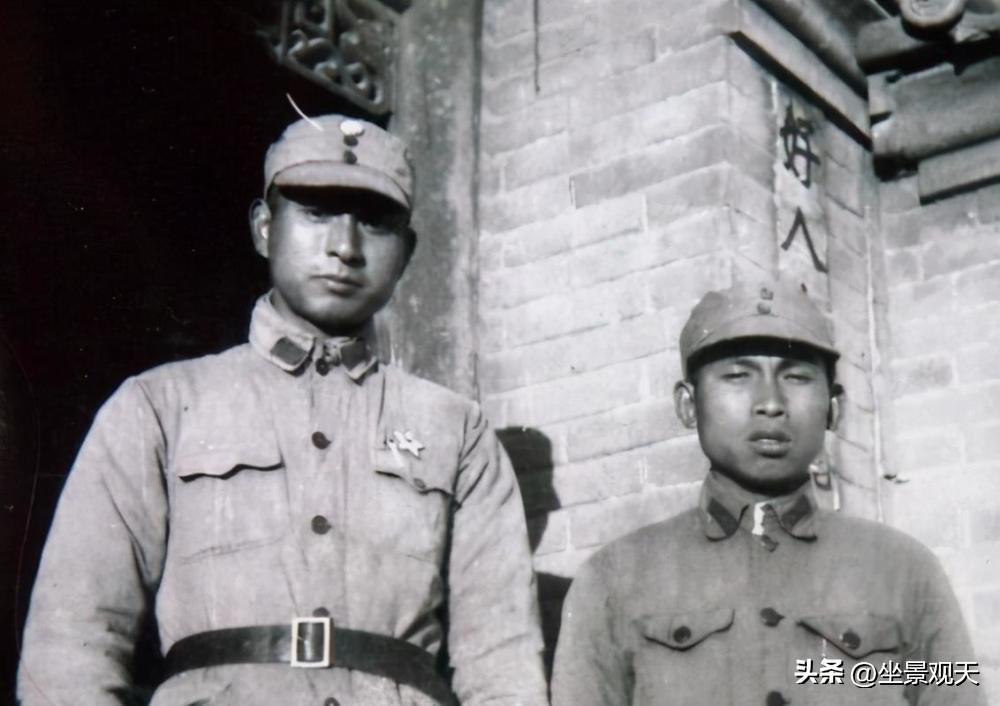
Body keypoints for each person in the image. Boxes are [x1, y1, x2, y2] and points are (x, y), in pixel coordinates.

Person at [18, 115, 548, 706]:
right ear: (265, 228)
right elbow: (72, 641)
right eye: (317, 213)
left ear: (407, 253)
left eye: (374, 222)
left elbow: (502, 662)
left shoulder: (456, 429)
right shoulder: (159, 406)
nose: (345, 248)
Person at [551, 277, 984, 706]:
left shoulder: (905, 570)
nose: (771, 402)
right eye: (738, 376)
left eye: (796, 376)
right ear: (687, 405)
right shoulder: (611, 581)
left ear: (834, 407)